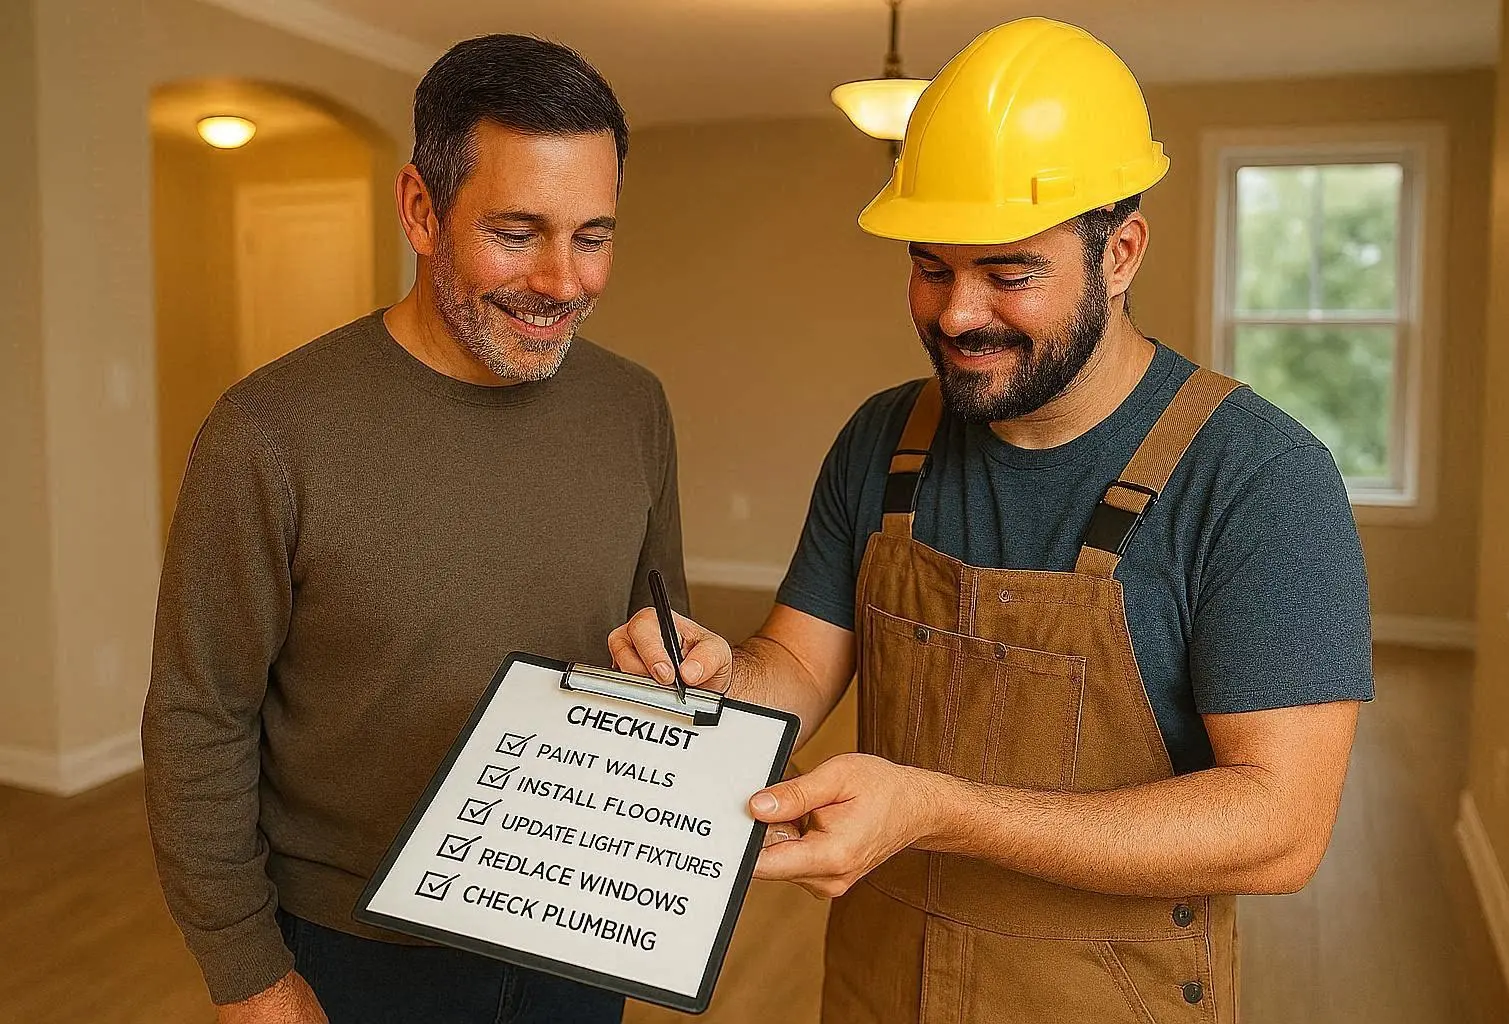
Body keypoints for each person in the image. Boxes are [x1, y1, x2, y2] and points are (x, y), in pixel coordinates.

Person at [609, 17, 1370, 1023]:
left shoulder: (1261, 477)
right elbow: (794, 667)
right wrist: (719, 679)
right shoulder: (885, 438)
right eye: (931, 266)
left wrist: (939, 808)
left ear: (1122, 251)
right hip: (875, 992)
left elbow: (1281, 828)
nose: (958, 312)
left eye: (1010, 274)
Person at [143, 34, 682, 1024]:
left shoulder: (634, 406)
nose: (565, 281)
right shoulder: (266, 432)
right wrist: (249, 974)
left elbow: (659, 626)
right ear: (420, 210)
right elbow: (199, 716)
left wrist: (682, 670)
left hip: (575, 921)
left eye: (593, 234)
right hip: (355, 951)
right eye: (518, 232)